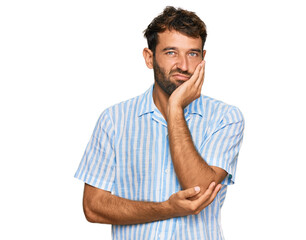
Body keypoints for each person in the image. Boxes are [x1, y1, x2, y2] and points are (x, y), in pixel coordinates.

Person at [75, 6, 244, 240]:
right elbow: (93, 207)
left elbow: (199, 193)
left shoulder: (226, 118)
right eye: (171, 52)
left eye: (193, 54)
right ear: (149, 57)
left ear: (203, 59)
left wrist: (175, 108)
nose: (184, 66)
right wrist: (167, 209)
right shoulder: (114, 120)